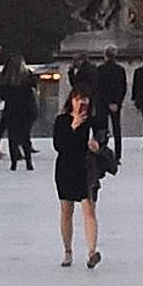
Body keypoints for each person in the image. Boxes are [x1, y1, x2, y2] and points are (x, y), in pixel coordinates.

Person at [53, 73, 111, 269]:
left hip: (87, 169)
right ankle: (68, 251)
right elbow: (59, 145)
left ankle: (92, 250)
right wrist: (73, 126)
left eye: (84, 99)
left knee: (89, 209)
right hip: (67, 168)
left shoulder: (95, 122)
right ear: (71, 100)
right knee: (66, 210)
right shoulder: (62, 121)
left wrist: (98, 145)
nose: (81, 103)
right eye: (77, 99)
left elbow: (103, 141)